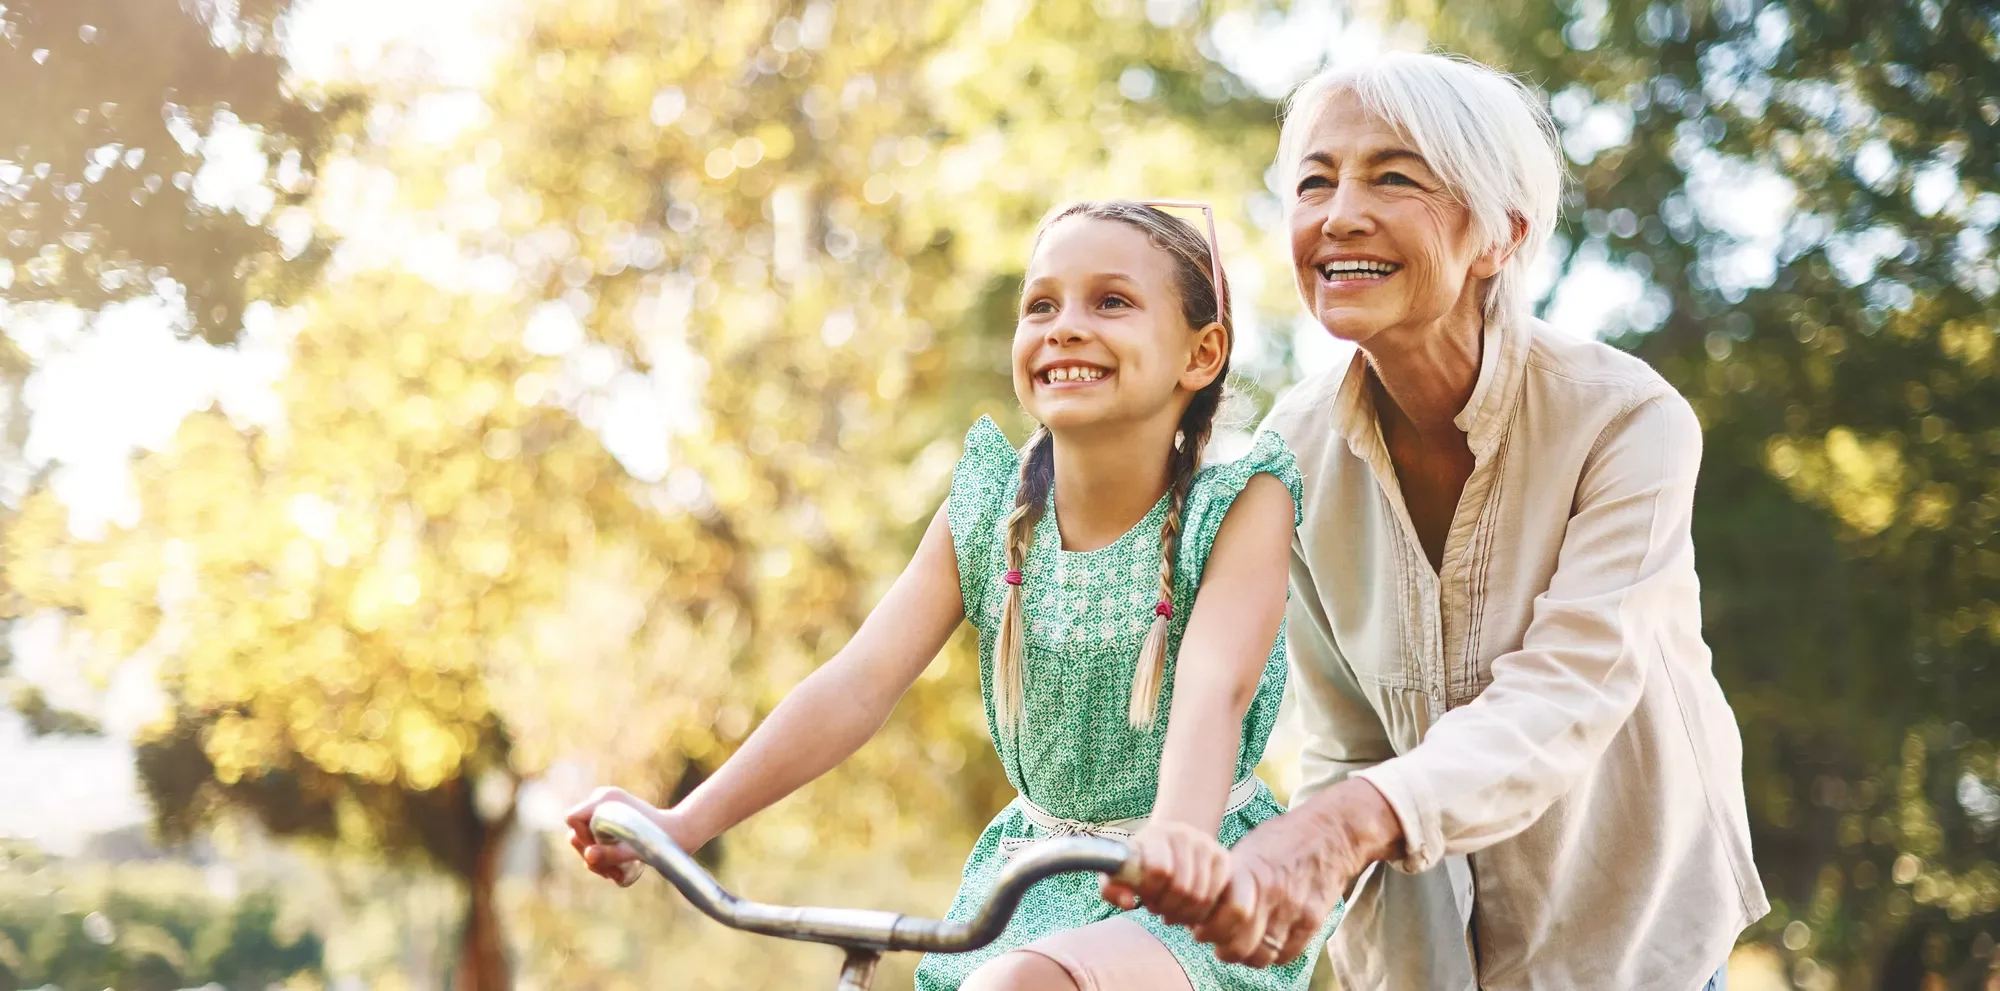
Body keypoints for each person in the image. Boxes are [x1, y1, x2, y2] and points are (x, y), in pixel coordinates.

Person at [565, 200, 1335, 991]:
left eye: (1111, 301)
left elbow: (1213, 691)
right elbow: (858, 682)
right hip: (1031, 890)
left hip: (1194, 894)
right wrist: (683, 823)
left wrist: (1175, 844)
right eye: (1042, 304)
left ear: (1201, 353)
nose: (1064, 326)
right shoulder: (992, 514)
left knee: (1014, 988)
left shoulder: (1241, 503)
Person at [1128, 53, 1768, 990]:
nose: (1339, 212)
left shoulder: (1626, 419)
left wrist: (1340, 825)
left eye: (1394, 176)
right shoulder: (1291, 451)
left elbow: (1566, 691)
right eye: (1315, 181)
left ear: (1500, 233)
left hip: (1632, 945)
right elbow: (1348, 739)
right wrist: (1295, 894)